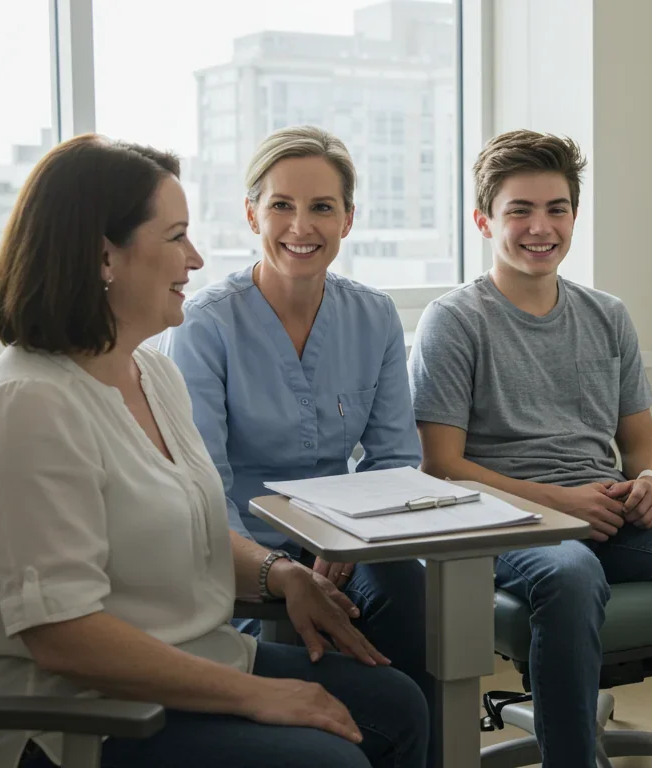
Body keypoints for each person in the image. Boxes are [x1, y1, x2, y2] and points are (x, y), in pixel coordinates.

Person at [0, 134, 427, 768]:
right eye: (175, 237)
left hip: (194, 662)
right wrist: (255, 695)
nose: (195, 259)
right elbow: (66, 641)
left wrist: (280, 576)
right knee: (327, 758)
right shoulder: (27, 406)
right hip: (83, 718)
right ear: (103, 256)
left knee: (399, 705)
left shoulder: (150, 374)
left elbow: (194, 530)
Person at [406, 129, 652, 767]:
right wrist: (559, 503)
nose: (539, 227)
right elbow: (440, 465)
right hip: (507, 518)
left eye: (556, 209)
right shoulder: (455, 320)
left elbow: (642, 444)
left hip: (604, 508)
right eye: (518, 210)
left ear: (574, 216)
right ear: (483, 220)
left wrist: (651, 485)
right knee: (570, 574)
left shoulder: (607, 315)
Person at [157, 125, 437, 764]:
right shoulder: (206, 325)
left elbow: (394, 459)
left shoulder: (375, 316)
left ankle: (402, 740)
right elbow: (207, 485)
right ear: (252, 212)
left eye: (321, 207)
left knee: (408, 597)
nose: (300, 226)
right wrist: (271, 568)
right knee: (281, 640)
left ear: (348, 219)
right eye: (281, 205)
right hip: (237, 542)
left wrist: (347, 537)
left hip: (347, 534)